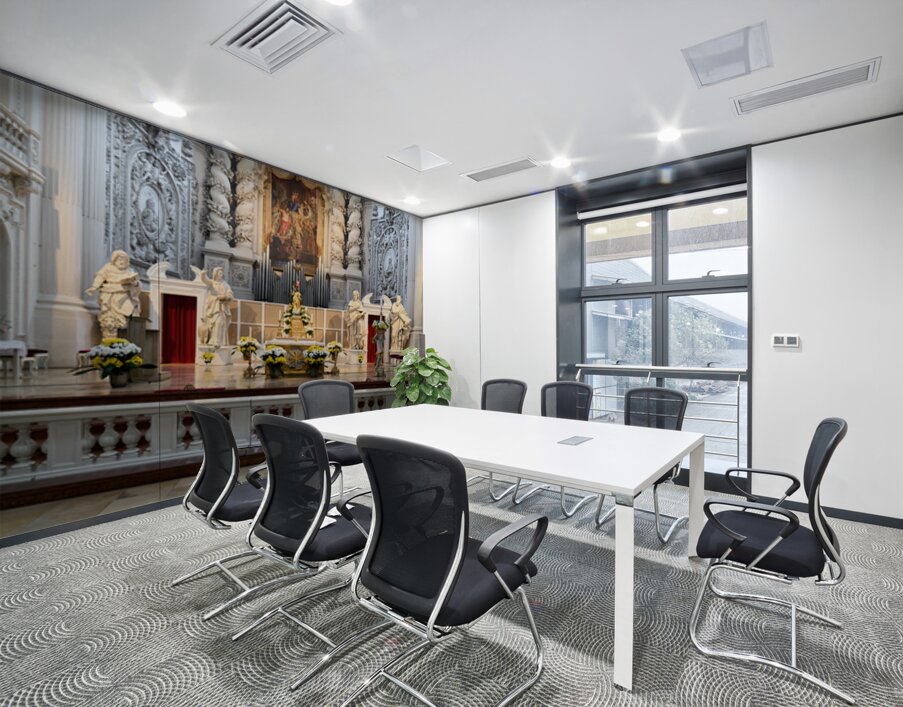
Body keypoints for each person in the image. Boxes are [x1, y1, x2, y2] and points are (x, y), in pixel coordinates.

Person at [86, 250, 142, 339]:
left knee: (124, 315)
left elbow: (138, 286)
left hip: (123, 297)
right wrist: (94, 287)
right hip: (109, 296)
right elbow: (100, 277)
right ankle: (110, 339)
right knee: (109, 318)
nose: (122, 262)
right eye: (119, 259)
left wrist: (136, 284)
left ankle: (119, 336)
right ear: (114, 260)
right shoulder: (107, 268)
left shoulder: (129, 271)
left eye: (124, 260)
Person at [198, 267, 234, 348]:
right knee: (212, 325)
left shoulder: (225, 284)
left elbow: (230, 294)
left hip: (222, 307)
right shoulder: (212, 282)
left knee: (219, 323)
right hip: (213, 307)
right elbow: (205, 280)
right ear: (216, 274)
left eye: (222, 273)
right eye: (220, 273)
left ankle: (218, 341)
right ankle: (212, 340)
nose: (221, 275)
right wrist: (203, 274)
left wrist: (226, 297)